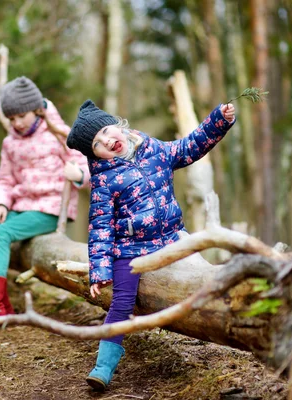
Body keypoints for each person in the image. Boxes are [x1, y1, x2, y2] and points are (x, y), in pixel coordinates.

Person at [65, 99, 236, 391]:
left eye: (107, 131)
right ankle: (103, 367)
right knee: (122, 302)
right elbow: (101, 227)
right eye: (98, 143)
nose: (108, 141)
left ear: (119, 125)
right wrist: (99, 270)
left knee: (200, 276)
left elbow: (187, 148)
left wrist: (218, 120)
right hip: (129, 250)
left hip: (171, 237)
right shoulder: (104, 181)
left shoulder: (152, 149)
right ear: (94, 155)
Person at [0, 77, 89, 322]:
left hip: (49, 209)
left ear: (37, 110)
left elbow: (87, 164)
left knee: (0, 234)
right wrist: (0, 203)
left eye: (21, 116)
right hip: (21, 208)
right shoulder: (10, 143)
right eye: (11, 119)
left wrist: (80, 175)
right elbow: (4, 179)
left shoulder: (59, 135)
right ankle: (0, 305)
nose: (17, 123)